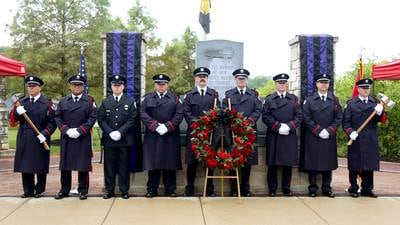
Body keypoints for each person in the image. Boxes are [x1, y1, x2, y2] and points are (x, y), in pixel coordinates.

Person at [54, 75, 98, 200]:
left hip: (82, 136)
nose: (76, 87)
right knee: (65, 166)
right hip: (67, 136)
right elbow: (57, 117)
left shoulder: (89, 101)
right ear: (70, 86)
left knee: (82, 164)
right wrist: (65, 130)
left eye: (79, 85)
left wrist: (80, 130)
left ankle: (83, 190)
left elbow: (93, 117)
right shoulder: (63, 101)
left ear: (83, 87)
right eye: (74, 85)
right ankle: (64, 190)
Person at [12, 75, 56, 198]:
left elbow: (52, 122)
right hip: (25, 136)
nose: (30, 89)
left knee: (40, 164)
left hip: (40, 136)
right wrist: (16, 111)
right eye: (29, 86)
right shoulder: (21, 102)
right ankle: (28, 190)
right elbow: (13, 120)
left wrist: (45, 133)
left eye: (33, 86)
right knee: (25, 164)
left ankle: (39, 189)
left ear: (39, 87)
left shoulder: (47, 103)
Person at [140, 74, 184, 197]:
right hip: (153, 135)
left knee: (169, 163)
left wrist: (168, 126)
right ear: (155, 85)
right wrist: (155, 126)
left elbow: (179, 114)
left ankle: (170, 189)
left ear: (167, 85)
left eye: (163, 84)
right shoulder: (147, 98)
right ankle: (151, 189)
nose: (161, 86)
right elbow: (142, 113)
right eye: (159, 84)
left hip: (170, 135)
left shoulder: (175, 98)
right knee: (153, 163)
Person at [222, 68, 262, 197]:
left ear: (246, 80)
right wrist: (234, 122)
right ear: (235, 80)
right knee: (232, 160)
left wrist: (248, 122)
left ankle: (245, 187)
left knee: (247, 160)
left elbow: (257, 110)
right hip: (233, 131)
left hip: (248, 131)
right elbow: (224, 110)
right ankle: (234, 189)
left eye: (243, 79)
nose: (241, 81)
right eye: (239, 79)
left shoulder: (253, 95)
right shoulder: (229, 95)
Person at [342, 78, 385, 198]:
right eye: (363, 88)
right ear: (358, 89)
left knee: (369, 164)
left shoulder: (375, 102)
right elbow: (345, 122)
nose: (366, 90)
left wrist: (380, 112)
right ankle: (353, 187)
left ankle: (367, 188)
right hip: (356, 137)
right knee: (355, 164)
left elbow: (380, 120)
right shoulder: (351, 103)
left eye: (368, 88)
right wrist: (350, 132)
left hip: (370, 137)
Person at [302, 73, 342, 198]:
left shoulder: (334, 100)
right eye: (321, 82)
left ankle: (326, 188)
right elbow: (306, 117)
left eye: (326, 82)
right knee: (313, 163)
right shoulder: (309, 100)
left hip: (328, 136)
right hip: (314, 136)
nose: (324, 84)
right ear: (316, 84)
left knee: (327, 163)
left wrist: (329, 130)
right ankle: (313, 188)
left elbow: (339, 117)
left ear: (329, 84)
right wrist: (318, 130)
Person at [262, 73, 302, 197]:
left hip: (289, 135)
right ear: (276, 84)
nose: (282, 85)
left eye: (284, 83)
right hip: (274, 134)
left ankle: (286, 188)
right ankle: (272, 189)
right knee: (272, 163)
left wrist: (289, 126)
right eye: (280, 83)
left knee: (288, 164)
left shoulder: (294, 99)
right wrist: (278, 127)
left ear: (287, 84)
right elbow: (265, 116)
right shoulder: (269, 99)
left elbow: (299, 116)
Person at [98, 75, 137, 199]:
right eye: (114, 85)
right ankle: (109, 190)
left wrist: (120, 132)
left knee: (123, 166)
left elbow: (133, 119)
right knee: (109, 166)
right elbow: (101, 119)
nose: (117, 87)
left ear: (123, 87)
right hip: (109, 140)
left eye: (119, 85)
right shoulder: (105, 102)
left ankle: (124, 190)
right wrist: (110, 132)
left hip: (124, 139)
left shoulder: (130, 101)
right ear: (111, 87)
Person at [183, 67, 219, 197]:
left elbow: (217, 111)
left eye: (204, 76)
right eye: (199, 76)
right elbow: (186, 112)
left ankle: (210, 188)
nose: (202, 78)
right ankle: (189, 187)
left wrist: (207, 125)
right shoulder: (189, 95)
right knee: (192, 162)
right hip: (194, 133)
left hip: (209, 133)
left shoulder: (214, 94)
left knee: (209, 162)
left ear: (207, 78)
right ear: (195, 79)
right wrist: (198, 125)